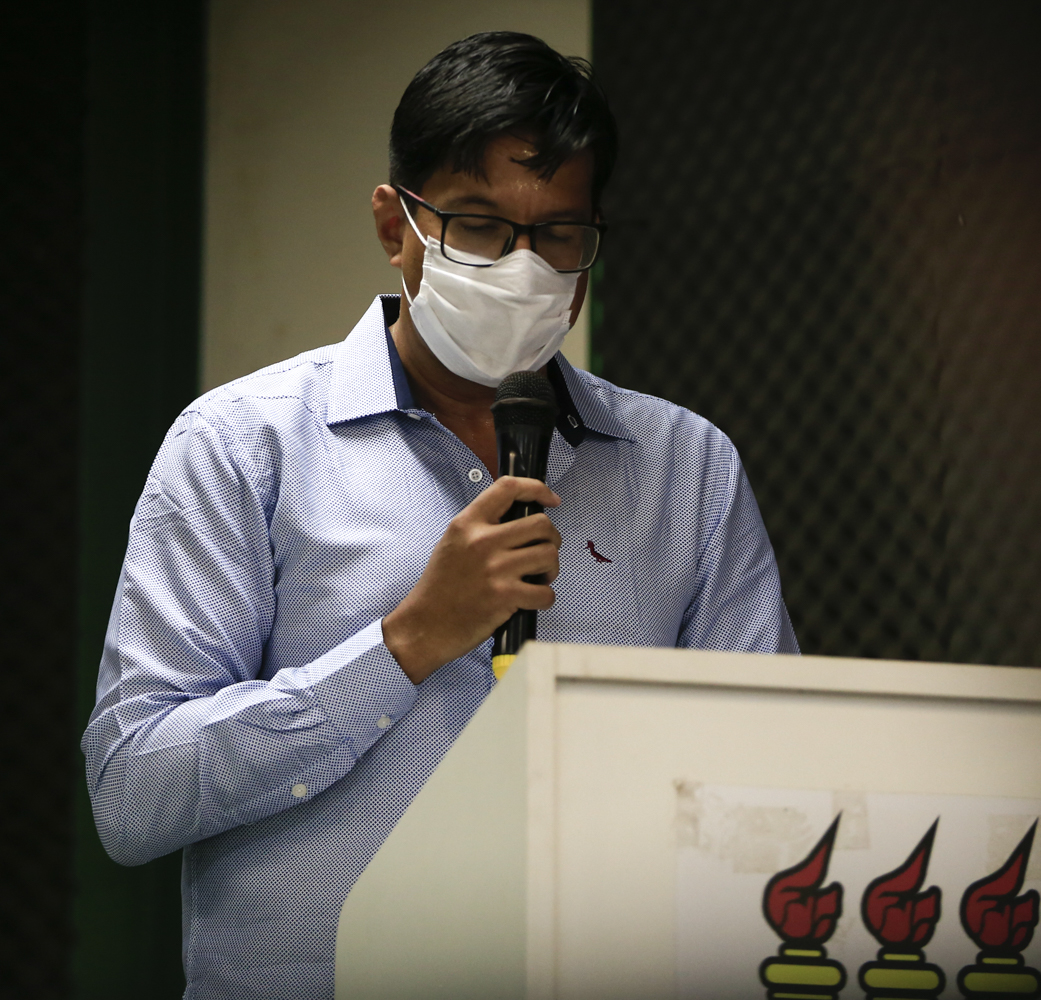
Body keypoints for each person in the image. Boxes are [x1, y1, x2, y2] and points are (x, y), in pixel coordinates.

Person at [83, 31, 797, 998]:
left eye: (558, 234)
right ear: (395, 223)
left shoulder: (684, 467)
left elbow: (770, 783)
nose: (523, 267)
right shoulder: (243, 445)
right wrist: (405, 642)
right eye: (478, 226)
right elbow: (132, 790)